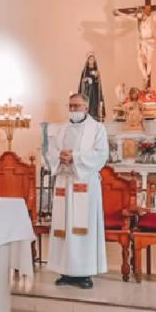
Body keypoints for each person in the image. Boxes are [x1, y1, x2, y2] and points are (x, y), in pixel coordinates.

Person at [43, 92, 108, 289]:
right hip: (64, 181)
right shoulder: (61, 130)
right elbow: (48, 152)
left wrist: (76, 156)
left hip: (85, 185)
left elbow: (101, 154)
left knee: (82, 228)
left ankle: (84, 272)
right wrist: (59, 156)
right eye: (70, 106)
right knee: (64, 227)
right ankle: (65, 271)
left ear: (86, 108)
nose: (73, 109)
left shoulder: (97, 128)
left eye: (77, 106)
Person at [77, 54, 105, 121]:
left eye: (93, 59)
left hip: (95, 91)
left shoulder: (96, 70)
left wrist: (96, 77)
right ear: (88, 60)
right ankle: (86, 114)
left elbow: (98, 83)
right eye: (90, 59)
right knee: (87, 102)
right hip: (87, 91)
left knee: (94, 103)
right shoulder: (85, 70)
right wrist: (88, 79)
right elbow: (82, 81)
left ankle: (95, 114)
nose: (91, 60)